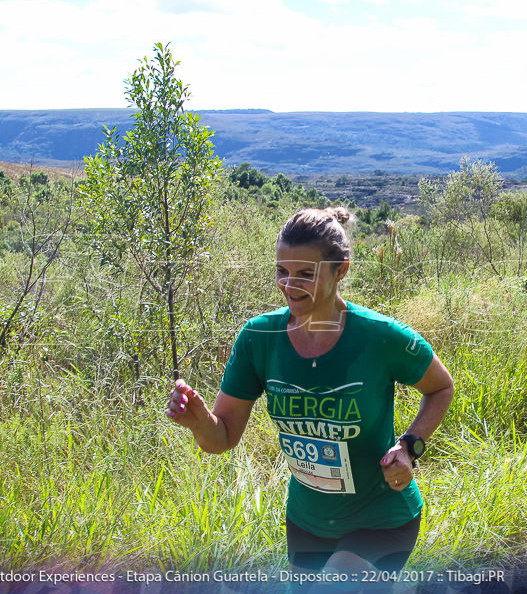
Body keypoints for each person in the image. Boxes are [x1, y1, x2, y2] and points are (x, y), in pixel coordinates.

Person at [166, 207, 454, 576]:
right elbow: (220, 438)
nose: (290, 285)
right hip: (307, 522)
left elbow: (441, 386)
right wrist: (199, 421)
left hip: (381, 518)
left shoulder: (380, 336)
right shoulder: (258, 338)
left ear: (341, 270)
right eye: (281, 272)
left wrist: (409, 446)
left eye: (305, 274)